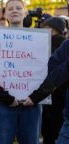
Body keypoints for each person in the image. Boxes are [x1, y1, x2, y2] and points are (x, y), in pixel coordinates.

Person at [0, 0, 41, 143]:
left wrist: (36, 97)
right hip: (3, 106)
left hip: (31, 106)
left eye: (18, 8)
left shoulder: (38, 39)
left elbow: (45, 72)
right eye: (11, 8)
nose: (14, 11)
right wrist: (7, 99)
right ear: (5, 14)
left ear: (25, 12)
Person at [39, 16, 66, 144]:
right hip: (49, 99)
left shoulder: (60, 44)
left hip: (58, 99)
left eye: (48, 30)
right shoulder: (64, 46)